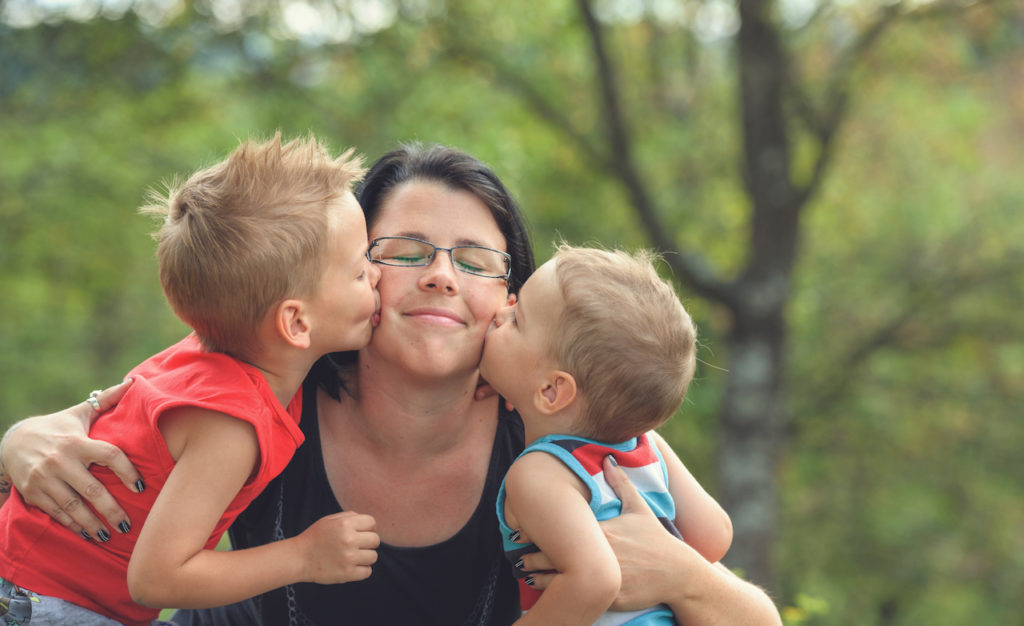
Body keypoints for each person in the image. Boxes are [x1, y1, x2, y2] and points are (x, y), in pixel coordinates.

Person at [0, 144, 783, 626]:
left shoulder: (557, 421)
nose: (442, 276)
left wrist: (679, 573)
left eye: (476, 260)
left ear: (512, 302)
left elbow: (755, 615)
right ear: (335, 283)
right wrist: (19, 440)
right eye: (404, 249)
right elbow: (119, 410)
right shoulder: (272, 375)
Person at [0, 134, 382, 626]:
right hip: (51, 604)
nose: (376, 276)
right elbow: (156, 579)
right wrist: (304, 557)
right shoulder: (231, 423)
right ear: (296, 324)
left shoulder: (212, 349)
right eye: (359, 271)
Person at [480, 244, 730, 625]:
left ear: (551, 392)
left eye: (517, 321)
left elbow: (596, 580)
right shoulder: (649, 448)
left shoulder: (538, 474)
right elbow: (714, 536)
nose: (500, 312)